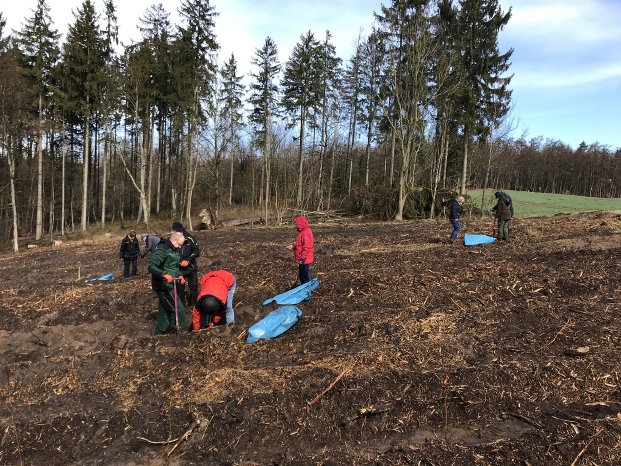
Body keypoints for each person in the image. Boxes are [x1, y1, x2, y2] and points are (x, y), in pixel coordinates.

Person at [148, 231, 187, 335]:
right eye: (179, 244)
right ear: (174, 240)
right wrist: (164, 274)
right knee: (178, 310)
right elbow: (151, 266)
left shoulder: (174, 250)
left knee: (164, 312)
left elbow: (172, 266)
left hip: (171, 284)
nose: (179, 247)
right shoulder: (162, 249)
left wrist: (179, 275)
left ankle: (160, 333)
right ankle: (175, 333)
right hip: (163, 285)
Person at [172, 222, 201, 308]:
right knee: (180, 290)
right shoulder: (172, 239)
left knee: (194, 289)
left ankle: (196, 305)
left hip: (191, 268)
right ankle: (181, 307)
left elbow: (197, 251)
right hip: (179, 270)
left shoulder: (190, 238)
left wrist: (188, 260)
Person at [287, 215, 314, 285]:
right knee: (301, 276)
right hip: (302, 259)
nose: (296, 225)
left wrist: (302, 259)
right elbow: (300, 245)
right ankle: (303, 288)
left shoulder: (306, 232)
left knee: (305, 277)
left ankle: (307, 291)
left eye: (296, 224)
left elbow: (307, 247)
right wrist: (293, 246)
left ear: (301, 223)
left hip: (305, 259)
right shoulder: (302, 232)